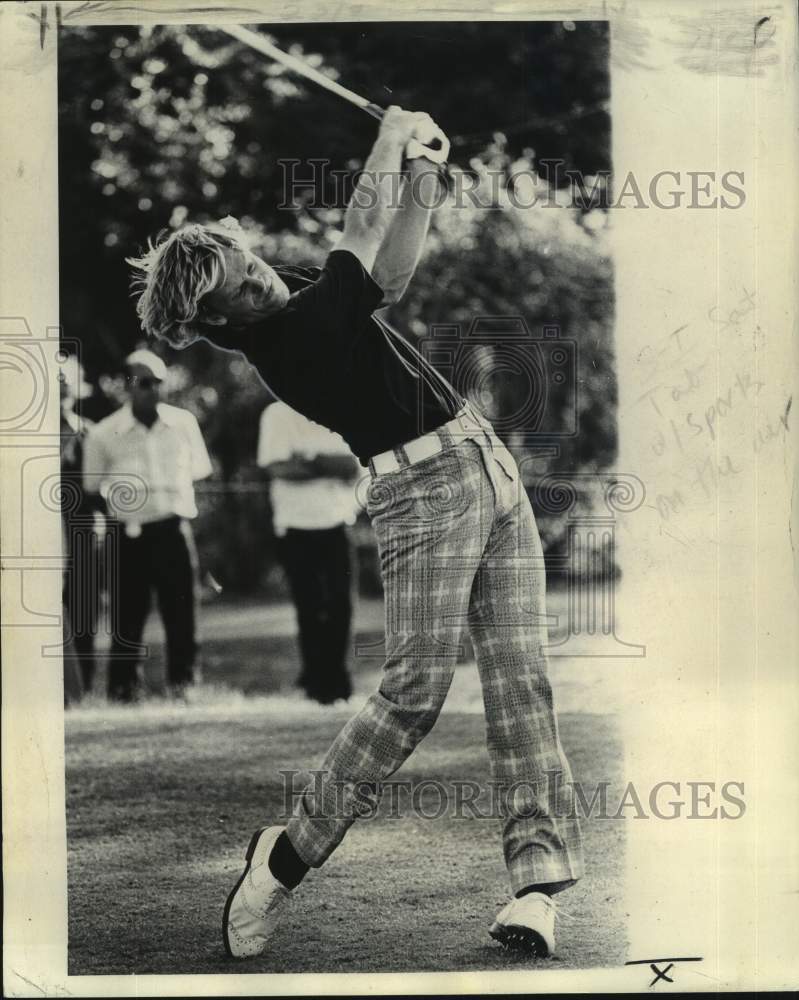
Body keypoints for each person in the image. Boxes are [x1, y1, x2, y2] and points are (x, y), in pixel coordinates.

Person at [127, 107, 584, 958]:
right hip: (422, 494)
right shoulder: (285, 339)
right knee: (411, 694)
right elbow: (362, 228)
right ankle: (284, 857)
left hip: (485, 464)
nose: (261, 277)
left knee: (522, 682)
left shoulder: (297, 290)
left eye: (250, 260)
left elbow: (389, 273)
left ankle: (535, 890)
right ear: (220, 318)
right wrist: (393, 135)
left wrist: (421, 174)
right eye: (241, 283)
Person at [82, 349, 212, 702]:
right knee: (128, 616)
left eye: (158, 382)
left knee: (182, 612)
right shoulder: (105, 434)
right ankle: (124, 689)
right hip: (128, 533)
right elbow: (92, 488)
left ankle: (184, 685)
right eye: (144, 382)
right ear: (127, 385)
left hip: (172, 528)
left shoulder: (184, 423)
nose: (152, 389)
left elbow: (199, 472)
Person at [257, 401, 359, 704]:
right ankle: (316, 684)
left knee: (341, 605)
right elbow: (279, 468)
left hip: (337, 521)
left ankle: (339, 683)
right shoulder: (276, 414)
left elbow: (352, 466)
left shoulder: (339, 410)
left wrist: (308, 458)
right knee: (310, 607)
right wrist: (328, 464)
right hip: (295, 525)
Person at [59, 356, 102, 699]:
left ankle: (82, 687)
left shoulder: (89, 431)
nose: (61, 386)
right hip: (43, 533)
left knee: (83, 608)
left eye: (66, 380)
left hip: (82, 529)